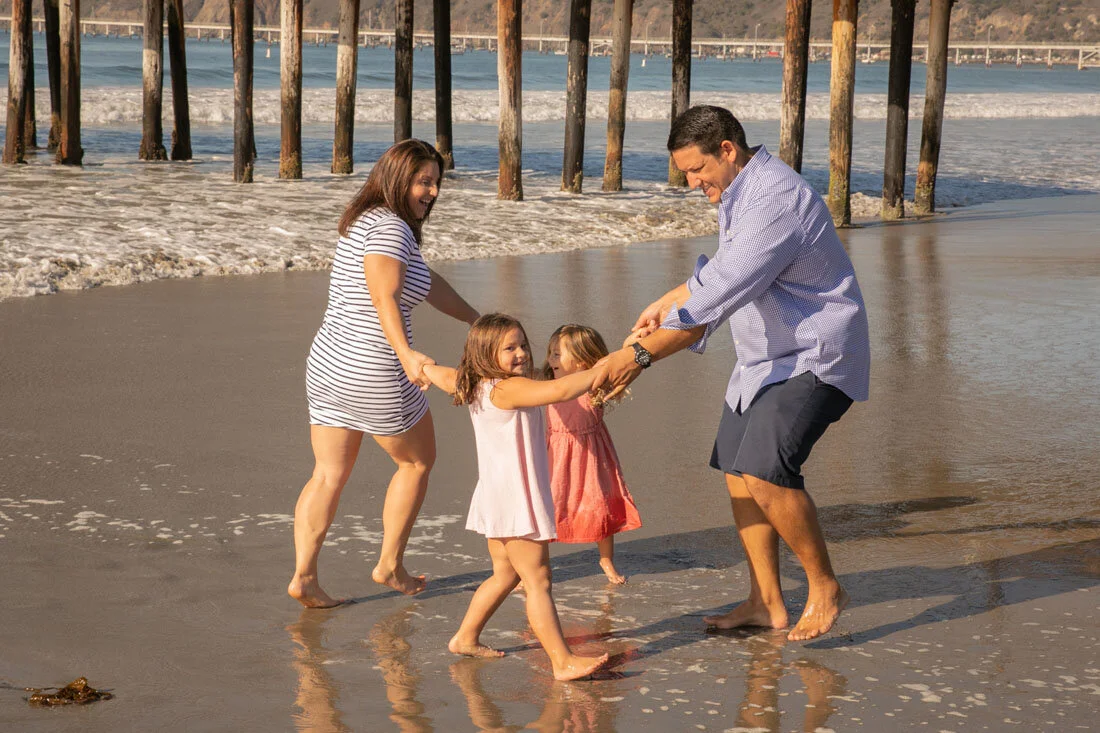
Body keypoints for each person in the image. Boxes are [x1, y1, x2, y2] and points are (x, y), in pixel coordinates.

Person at [596, 105, 871, 641]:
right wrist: (667, 299)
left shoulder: (774, 200)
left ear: (727, 149)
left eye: (697, 170)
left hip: (814, 353)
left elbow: (710, 306)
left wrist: (635, 359)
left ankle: (824, 586)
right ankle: (766, 602)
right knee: (739, 474)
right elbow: (721, 274)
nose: (693, 183)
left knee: (766, 471)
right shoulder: (742, 190)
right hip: (763, 360)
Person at [288, 139, 480, 609]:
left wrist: (478, 321)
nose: (433, 191)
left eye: (437, 182)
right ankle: (390, 564)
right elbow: (384, 297)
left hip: (330, 363)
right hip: (376, 366)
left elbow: (427, 282)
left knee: (328, 474)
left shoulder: (366, 221)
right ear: (397, 179)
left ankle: (304, 577)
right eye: (424, 181)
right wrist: (408, 354)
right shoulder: (392, 228)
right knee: (416, 462)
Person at [421, 313, 609, 681]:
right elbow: (559, 390)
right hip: (515, 500)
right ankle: (562, 661)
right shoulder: (508, 390)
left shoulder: (473, 383)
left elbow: (443, 375)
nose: (521, 354)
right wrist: (613, 364)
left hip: (497, 495)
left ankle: (465, 637)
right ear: (485, 353)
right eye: (510, 348)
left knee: (505, 574)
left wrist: (421, 365)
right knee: (538, 581)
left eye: (523, 344)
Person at [542, 324, 642, 584]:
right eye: (551, 353)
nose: (550, 359)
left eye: (557, 354)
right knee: (545, 507)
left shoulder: (595, 384)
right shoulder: (546, 384)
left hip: (591, 457)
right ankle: (538, 566)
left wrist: (632, 344)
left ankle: (606, 559)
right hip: (555, 456)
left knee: (599, 506)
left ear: (582, 362)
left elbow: (619, 365)